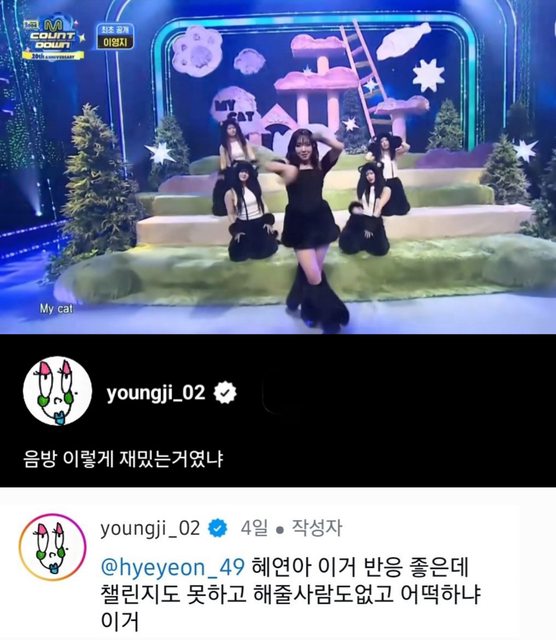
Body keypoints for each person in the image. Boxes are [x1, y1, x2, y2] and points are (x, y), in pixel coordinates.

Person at [266, 129, 349, 334]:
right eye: (298, 145)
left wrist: (322, 137)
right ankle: (331, 316)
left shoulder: (321, 165)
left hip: (321, 222)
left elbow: (339, 148)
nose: (303, 149)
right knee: (314, 276)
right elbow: (268, 164)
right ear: (293, 148)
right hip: (299, 225)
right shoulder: (288, 165)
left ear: (312, 146)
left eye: (307, 144)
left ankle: (303, 306)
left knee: (312, 272)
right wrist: (287, 168)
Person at [224, 161, 278, 262]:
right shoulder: (230, 193)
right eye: (241, 171)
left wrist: (268, 221)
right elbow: (230, 213)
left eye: (246, 172)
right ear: (237, 173)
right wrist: (236, 230)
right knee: (237, 254)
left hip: (259, 221)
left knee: (264, 251)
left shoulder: (255, 188)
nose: (244, 174)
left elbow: (263, 205)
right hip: (244, 224)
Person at [339, 162, 391, 256]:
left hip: (374, 220)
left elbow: (378, 209)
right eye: (367, 174)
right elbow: (355, 204)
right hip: (360, 219)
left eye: (371, 173)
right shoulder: (361, 189)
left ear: (376, 174)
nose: (369, 176)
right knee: (348, 248)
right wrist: (354, 209)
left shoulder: (385, 189)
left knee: (381, 250)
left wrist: (370, 226)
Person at [212, 117, 256, 216]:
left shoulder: (243, 141)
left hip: (245, 166)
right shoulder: (224, 146)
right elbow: (223, 163)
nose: (232, 130)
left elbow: (251, 155)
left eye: (234, 128)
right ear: (225, 131)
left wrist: (252, 164)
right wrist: (223, 172)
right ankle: (235, 207)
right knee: (230, 179)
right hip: (233, 168)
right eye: (229, 128)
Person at [368, 132, 411, 216]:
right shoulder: (378, 156)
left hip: (395, 181)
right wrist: (373, 147)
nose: (385, 143)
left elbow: (407, 147)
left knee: (402, 210)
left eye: (386, 140)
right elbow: (367, 157)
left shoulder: (394, 153)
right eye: (382, 141)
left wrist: (397, 141)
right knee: (388, 212)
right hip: (385, 182)